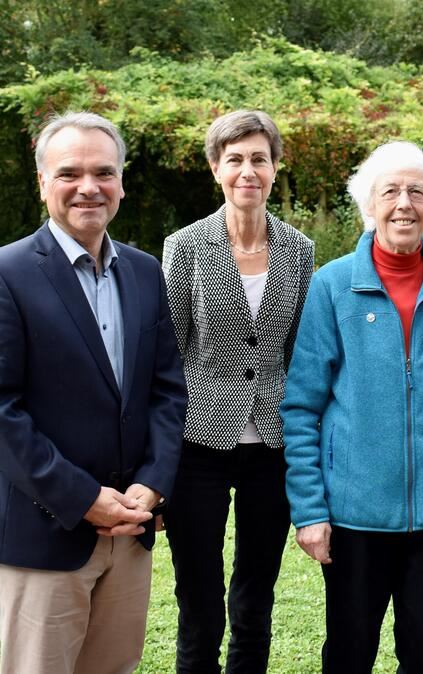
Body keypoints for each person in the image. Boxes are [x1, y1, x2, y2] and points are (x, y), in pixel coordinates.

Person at [0, 111, 187, 674]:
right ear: (42, 182)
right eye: (70, 173)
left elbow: (166, 390)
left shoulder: (143, 271)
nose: (89, 186)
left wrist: (152, 485)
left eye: (104, 172)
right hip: (43, 532)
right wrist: (85, 499)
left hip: (131, 529)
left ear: (122, 183)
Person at [281, 141, 423, 674]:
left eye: (417, 192)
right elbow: (302, 406)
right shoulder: (331, 286)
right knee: (350, 652)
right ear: (368, 206)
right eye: (389, 191)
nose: (403, 203)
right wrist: (310, 509)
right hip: (355, 516)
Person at [161, 110, 315, 673]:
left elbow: (299, 352)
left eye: (259, 159)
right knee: (198, 598)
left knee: (255, 594)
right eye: (235, 160)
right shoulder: (185, 247)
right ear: (215, 169)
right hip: (199, 442)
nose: (247, 171)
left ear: (275, 168)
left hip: (271, 447)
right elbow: (172, 353)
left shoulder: (301, 250)